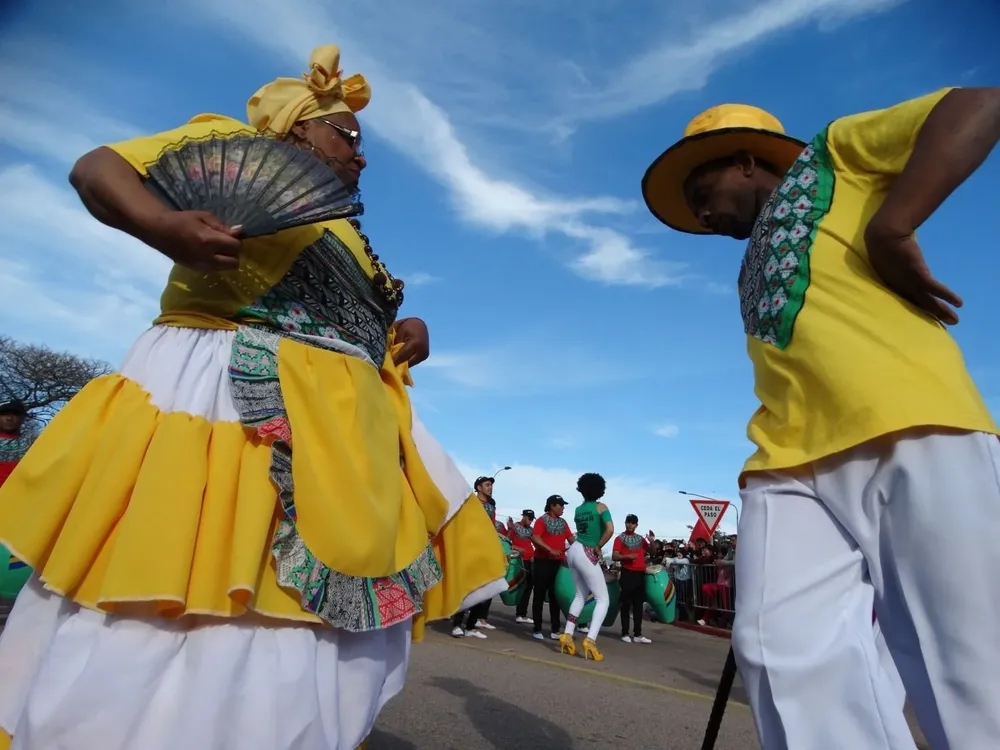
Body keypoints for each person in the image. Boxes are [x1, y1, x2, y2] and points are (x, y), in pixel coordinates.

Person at [0, 44, 507, 750]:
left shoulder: (346, 228)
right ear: (297, 127)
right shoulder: (233, 150)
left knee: (320, 642)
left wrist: (404, 326)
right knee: (203, 598)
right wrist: (160, 224)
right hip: (234, 408)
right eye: (348, 136)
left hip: (344, 433)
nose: (361, 155)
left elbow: (355, 318)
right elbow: (99, 168)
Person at [641, 87, 1000, 749]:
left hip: (915, 422)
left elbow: (979, 103)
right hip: (786, 461)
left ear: (747, 161)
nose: (699, 210)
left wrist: (894, 224)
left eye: (703, 186)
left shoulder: (832, 159)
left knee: (966, 665)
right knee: (778, 647)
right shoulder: (745, 272)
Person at [559, 473, 614, 661]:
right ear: (600, 489)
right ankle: (590, 640)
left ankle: (567, 634)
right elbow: (610, 529)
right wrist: (598, 547)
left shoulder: (578, 510)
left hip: (573, 550)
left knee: (579, 596)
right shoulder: (601, 507)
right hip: (587, 551)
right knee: (603, 600)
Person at [450, 475, 503, 638]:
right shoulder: (470, 502)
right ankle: (457, 625)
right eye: (487, 485)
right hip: (469, 549)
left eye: (491, 485)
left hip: (485, 550)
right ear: (479, 487)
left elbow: (492, 529)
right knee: (467, 588)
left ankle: (471, 627)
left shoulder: (491, 507)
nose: (490, 488)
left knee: (483, 589)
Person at [530, 494, 574, 641]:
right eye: (560, 505)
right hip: (543, 562)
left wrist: (583, 545)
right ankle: (537, 629)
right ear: (551, 506)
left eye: (563, 505)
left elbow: (571, 539)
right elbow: (535, 537)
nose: (563, 508)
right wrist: (550, 549)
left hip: (558, 563)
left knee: (556, 596)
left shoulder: (563, 523)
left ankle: (555, 629)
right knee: (539, 596)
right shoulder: (542, 521)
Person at [612, 513, 650, 643]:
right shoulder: (620, 539)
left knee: (638, 604)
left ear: (636, 525)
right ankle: (624, 633)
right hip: (628, 573)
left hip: (640, 574)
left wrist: (651, 541)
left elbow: (652, 551)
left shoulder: (640, 539)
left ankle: (638, 634)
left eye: (633, 523)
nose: (630, 525)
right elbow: (614, 556)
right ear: (625, 523)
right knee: (626, 604)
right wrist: (627, 557)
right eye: (628, 522)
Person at [507, 509, 536, 624]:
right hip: (519, 560)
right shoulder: (514, 527)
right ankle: (519, 613)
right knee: (520, 586)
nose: (530, 521)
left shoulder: (531, 530)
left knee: (529, 587)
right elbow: (507, 542)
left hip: (530, 560)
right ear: (523, 517)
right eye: (528, 518)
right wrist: (516, 548)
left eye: (531, 519)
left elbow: (536, 541)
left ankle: (521, 614)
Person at [0, 401, 32, 488]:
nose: (9, 418)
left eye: (15, 414)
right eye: (4, 414)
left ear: (23, 418)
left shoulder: (32, 443)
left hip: (20, 495)